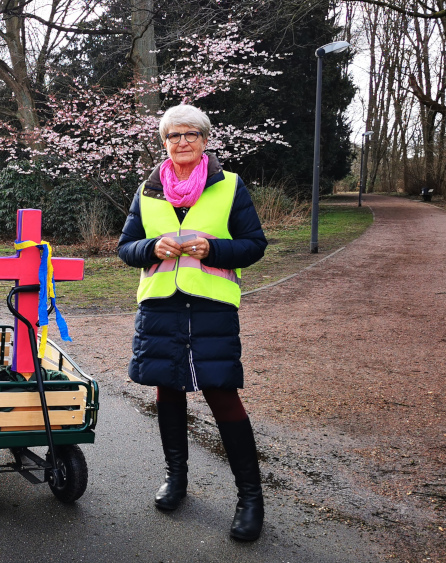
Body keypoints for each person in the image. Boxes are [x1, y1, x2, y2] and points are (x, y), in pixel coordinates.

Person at [117, 104, 268, 541]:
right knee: (167, 390)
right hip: (161, 304)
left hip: (211, 305)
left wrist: (213, 249)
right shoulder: (148, 190)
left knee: (222, 394)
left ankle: (250, 498)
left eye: (191, 134)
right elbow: (126, 247)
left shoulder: (230, 186)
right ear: (164, 142)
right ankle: (177, 479)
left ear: (205, 140)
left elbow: (254, 244)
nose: (182, 141)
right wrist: (151, 248)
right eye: (173, 135)